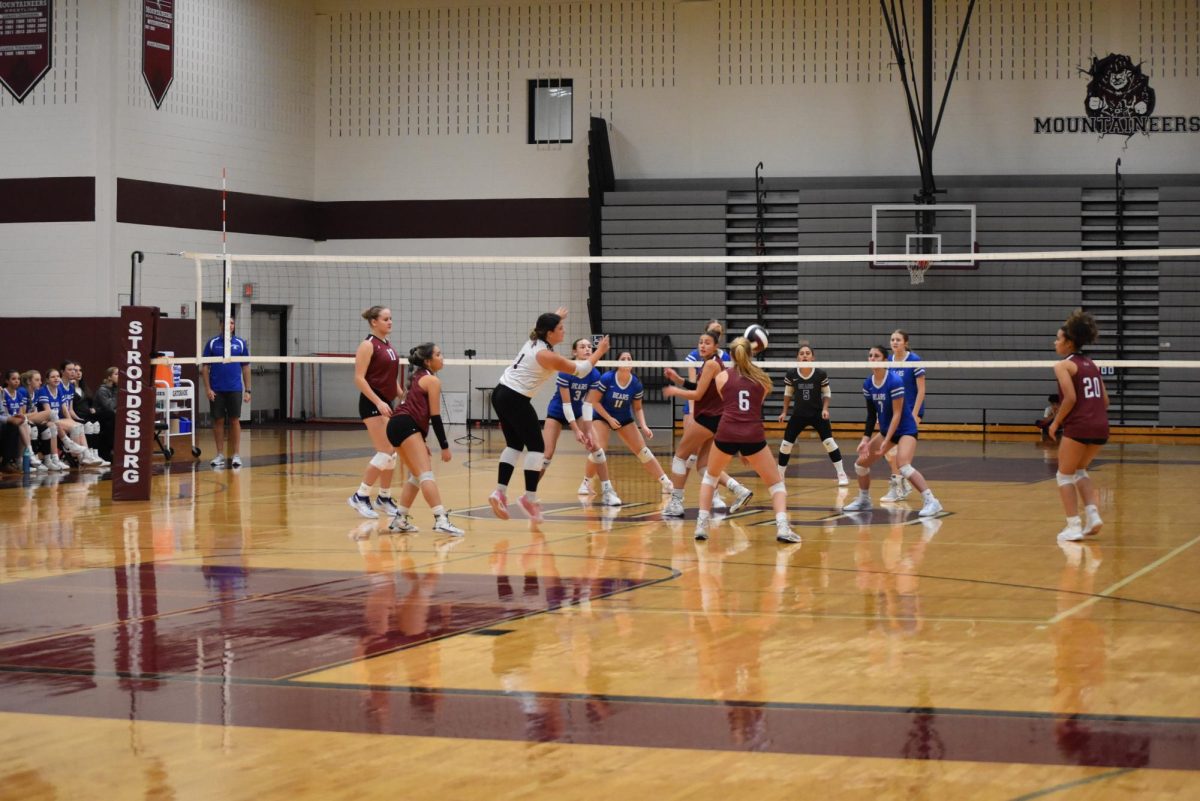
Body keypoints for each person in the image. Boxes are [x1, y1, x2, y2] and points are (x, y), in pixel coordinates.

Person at [668, 336, 799, 543]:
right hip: (753, 435)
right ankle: (782, 527)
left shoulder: (721, 378)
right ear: (751, 354)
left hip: (726, 431)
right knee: (776, 485)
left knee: (710, 477)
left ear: (732, 355)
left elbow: (728, 402)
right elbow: (753, 407)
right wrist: (745, 451)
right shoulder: (764, 381)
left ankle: (701, 526)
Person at [488, 308, 610, 523]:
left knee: (514, 445)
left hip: (500, 393)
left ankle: (499, 492)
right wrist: (600, 351)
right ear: (549, 333)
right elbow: (581, 370)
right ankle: (529, 498)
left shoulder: (535, 339)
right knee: (538, 448)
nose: (564, 331)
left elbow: (544, 326)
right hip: (515, 398)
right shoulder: (546, 355)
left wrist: (558, 316)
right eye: (560, 328)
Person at [661, 330, 753, 518]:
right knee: (703, 466)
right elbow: (699, 387)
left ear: (716, 346)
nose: (702, 345)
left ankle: (676, 502)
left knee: (679, 457)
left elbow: (697, 395)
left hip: (708, 418)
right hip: (716, 419)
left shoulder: (711, 364)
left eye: (707, 343)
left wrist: (674, 391)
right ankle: (739, 490)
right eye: (700, 342)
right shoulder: (710, 364)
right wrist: (678, 380)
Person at [844, 346, 943, 518]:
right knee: (860, 465)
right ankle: (864, 499)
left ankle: (931, 501)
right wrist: (865, 439)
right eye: (870, 356)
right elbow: (870, 415)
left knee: (903, 465)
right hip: (886, 430)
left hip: (905, 429)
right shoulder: (868, 384)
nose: (872, 358)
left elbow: (897, 415)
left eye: (876, 356)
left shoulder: (895, 381)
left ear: (884, 361)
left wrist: (886, 441)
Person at [380, 343, 466, 536]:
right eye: (438, 354)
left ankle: (400, 519)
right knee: (426, 474)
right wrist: (445, 446)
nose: (442, 357)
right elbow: (435, 417)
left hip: (396, 425)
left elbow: (414, 410)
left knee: (416, 476)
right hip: (405, 425)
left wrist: (422, 442)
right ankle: (441, 519)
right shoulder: (432, 381)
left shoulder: (415, 379)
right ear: (428, 361)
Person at [1047, 310, 1108, 542]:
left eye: (1058, 339)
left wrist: (1055, 422)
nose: (1055, 342)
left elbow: (1070, 398)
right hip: (1101, 426)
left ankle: (1073, 525)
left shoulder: (1063, 365)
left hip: (1080, 426)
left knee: (1063, 475)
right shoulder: (1091, 364)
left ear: (1069, 342)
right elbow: (1105, 401)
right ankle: (1093, 515)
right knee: (1080, 470)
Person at [585, 351, 675, 506]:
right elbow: (594, 402)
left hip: (623, 418)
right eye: (623, 358)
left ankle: (666, 483)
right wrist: (609, 419)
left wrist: (644, 426)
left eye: (629, 359)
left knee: (643, 452)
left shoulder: (636, 384)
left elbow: (638, 408)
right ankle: (586, 482)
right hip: (602, 416)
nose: (626, 361)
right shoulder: (607, 378)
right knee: (599, 450)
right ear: (617, 363)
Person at [347, 306, 405, 519]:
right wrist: (379, 401)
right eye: (386, 319)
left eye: (391, 318)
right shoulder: (367, 345)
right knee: (386, 451)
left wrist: (403, 396)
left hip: (386, 402)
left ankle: (384, 497)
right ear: (374, 322)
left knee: (393, 452)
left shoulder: (387, 345)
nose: (390, 322)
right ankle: (360, 496)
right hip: (372, 403)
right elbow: (359, 379)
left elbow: (390, 378)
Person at [776, 342, 849, 486]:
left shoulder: (820, 373)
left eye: (807, 353)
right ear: (798, 357)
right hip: (798, 414)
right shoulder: (791, 374)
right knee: (785, 445)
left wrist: (825, 409)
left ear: (813, 357)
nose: (804, 356)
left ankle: (842, 474)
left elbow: (827, 393)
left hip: (817, 414)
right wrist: (784, 411)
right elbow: (787, 393)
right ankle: (779, 476)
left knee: (829, 442)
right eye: (802, 353)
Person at [541, 337, 607, 496]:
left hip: (578, 412)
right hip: (557, 412)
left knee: (596, 447)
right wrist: (577, 430)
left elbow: (587, 404)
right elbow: (566, 405)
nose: (587, 349)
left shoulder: (594, 374)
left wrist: (588, 430)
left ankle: (597, 486)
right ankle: (529, 492)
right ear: (574, 352)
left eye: (590, 347)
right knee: (547, 454)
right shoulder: (566, 369)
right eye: (582, 347)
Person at [684, 319, 733, 508]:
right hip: (697, 408)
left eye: (719, 332)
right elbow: (692, 386)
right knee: (689, 454)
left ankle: (715, 495)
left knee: (712, 456)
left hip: (716, 411)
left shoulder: (725, 357)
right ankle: (676, 488)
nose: (716, 333)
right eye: (713, 331)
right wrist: (691, 412)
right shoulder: (694, 355)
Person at [201, 315, 251, 469]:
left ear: (233, 326)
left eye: (232, 323)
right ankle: (220, 455)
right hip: (217, 390)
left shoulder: (241, 344)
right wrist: (208, 388)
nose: (229, 325)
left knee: (235, 420)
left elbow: (246, 367)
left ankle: (236, 455)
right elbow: (204, 367)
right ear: (220, 325)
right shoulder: (212, 343)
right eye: (226, 323)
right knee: (218, 421)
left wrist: (248, 390)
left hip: (235, 389)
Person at [883, 329, 926, 502]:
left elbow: (921, 390)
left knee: (898, 453)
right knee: (888, 452)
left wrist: (915, 414)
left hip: (910, 411)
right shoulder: (888, 362)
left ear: (905, 343)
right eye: (892, 339)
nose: (894, 342)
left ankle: (897, 487)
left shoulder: (914, 360)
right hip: (893, 411)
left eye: (898, 340)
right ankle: (903, 484)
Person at [94, 367, 119, 464]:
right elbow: (110, 407)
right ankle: (109, 451)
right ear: (109, 377)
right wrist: (118, 392)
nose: (119, 376)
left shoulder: (116, 389)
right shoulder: (102, 390)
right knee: (112, 416)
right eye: (116, 374)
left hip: (111, 418)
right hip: (101, 419)